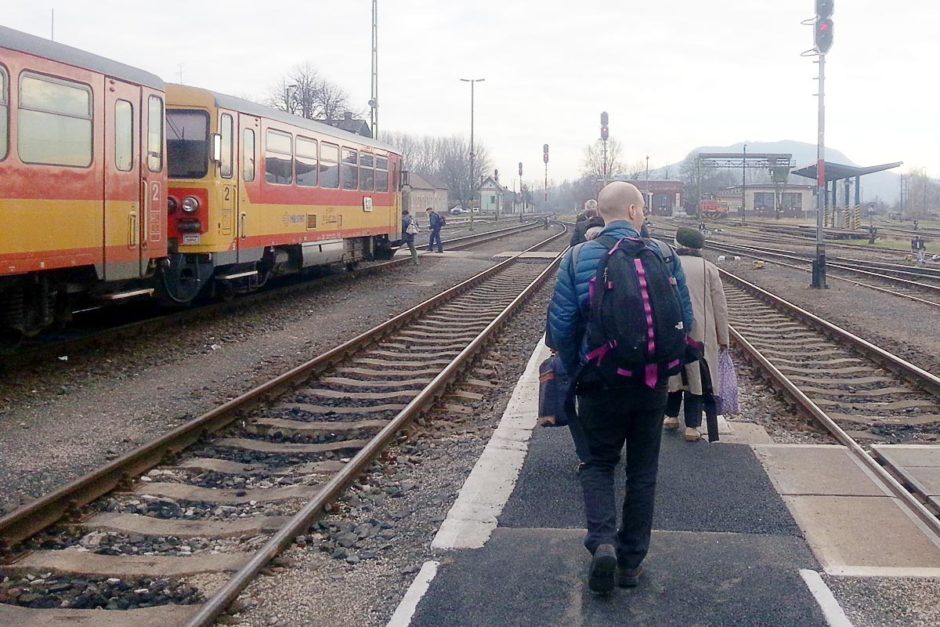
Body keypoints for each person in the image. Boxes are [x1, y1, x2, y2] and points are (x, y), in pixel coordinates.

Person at [547, 182, 693, 595]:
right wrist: (665, 369)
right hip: (651, 383)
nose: (644, 215)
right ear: (632, 211)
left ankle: (603, 543)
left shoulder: (576, 257)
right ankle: (630, 563)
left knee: (598, 463)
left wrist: (579, 372)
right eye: (642, 209)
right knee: (643, 471)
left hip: (598, 383)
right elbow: (685, 319)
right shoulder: (664, 255)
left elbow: (561, 328)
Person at [663, 227, 729, 441]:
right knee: (697, 376)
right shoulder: (708, 268)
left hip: (672, 327)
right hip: (701, 331)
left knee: (673, 374)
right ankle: (693, 426)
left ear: (678, 243)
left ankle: (671, 416)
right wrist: (723, 338)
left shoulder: (668, 265)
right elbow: (720, 306)